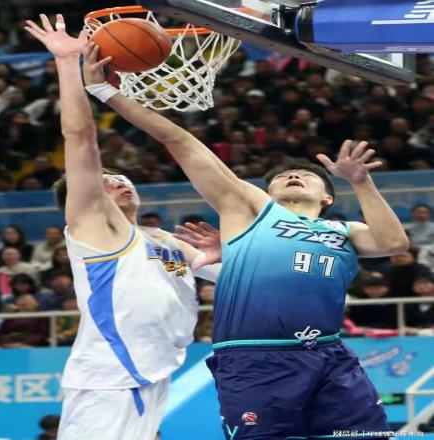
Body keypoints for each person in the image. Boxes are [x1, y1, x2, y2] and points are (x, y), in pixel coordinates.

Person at [86, 41, 409, 439]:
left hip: (328, 354)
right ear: (266, 191)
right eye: (283, 176)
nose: (294, 176)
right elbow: (180, 141)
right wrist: (104, 91)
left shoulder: (344, 231)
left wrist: (361, 182)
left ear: (327, 198)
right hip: (256, 357)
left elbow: (394, 243)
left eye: (307, 176)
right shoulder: (250, 210)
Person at [23, 15, 220, 440]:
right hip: (109, 375)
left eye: (121, 177)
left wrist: (236, 251)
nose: (118, 181)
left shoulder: (166, 240)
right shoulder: (94, 227)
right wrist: (68, 63)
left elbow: (231, 274)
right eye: (106, 180)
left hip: (153, 371)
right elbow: (80, 138)